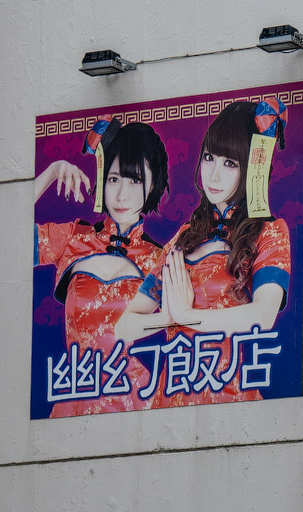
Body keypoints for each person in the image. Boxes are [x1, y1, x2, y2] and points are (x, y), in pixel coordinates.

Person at [116, 99, 292, 406]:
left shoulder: (269, 232)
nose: (212, 176)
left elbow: (263, 316)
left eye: (230, 164)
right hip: (173, 391)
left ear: (252, 167)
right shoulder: (184, 237)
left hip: (228, 388)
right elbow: (124, 325)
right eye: (210, 157)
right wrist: (168, 319)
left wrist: (189, 316)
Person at [33, 118, 170, 416]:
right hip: (77, 391)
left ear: (153, 187)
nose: (122, 195)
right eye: (114, 179)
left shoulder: (158, 258)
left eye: (135, 181)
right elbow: (3, 238)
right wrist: (52, 171)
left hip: (136, 399)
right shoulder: (74, 238)